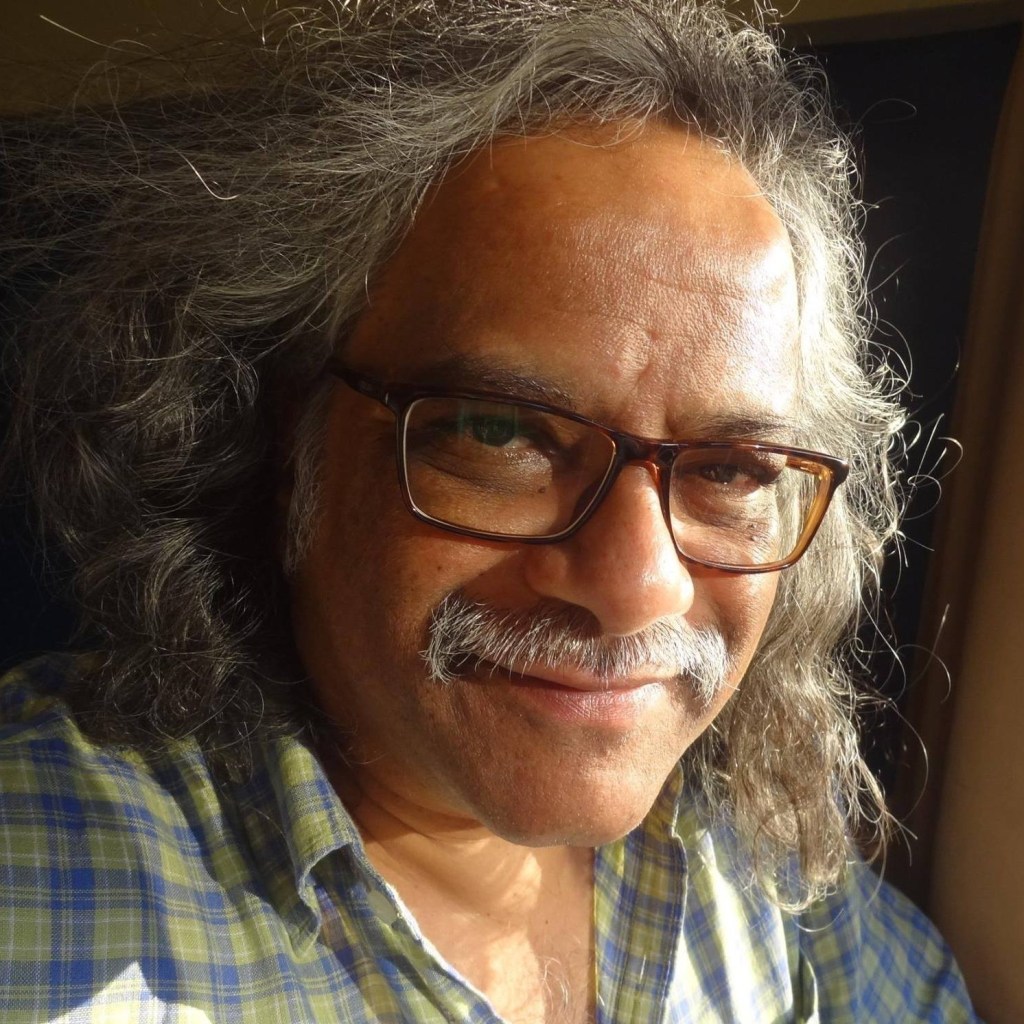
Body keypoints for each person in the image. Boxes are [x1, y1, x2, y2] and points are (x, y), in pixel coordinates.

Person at [0, 1, 978, 1021]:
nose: (636, 588)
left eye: (730, 470)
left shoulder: (752, 862)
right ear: (286, 435)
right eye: (503, 433)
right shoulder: (51, 894)